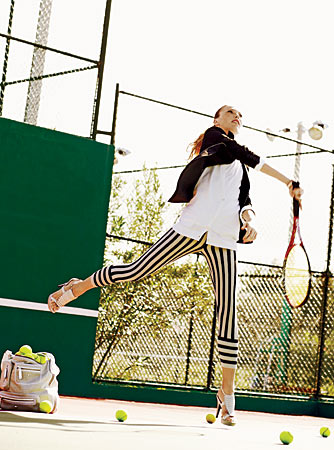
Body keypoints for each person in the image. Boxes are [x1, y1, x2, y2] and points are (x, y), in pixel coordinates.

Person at [47, 105, 303, 426]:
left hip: (224, 240)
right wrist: (288, 181)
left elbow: (245, 201)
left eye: (240, 115)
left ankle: (226, 394)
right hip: (190, 229)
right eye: (230, 113)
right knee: (136, 270)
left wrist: (248, 222)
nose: (237, 116)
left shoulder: (241, 168)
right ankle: (78, 286)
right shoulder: (217, 140)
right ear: (217, 120)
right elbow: (246, 154)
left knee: (228, 310)